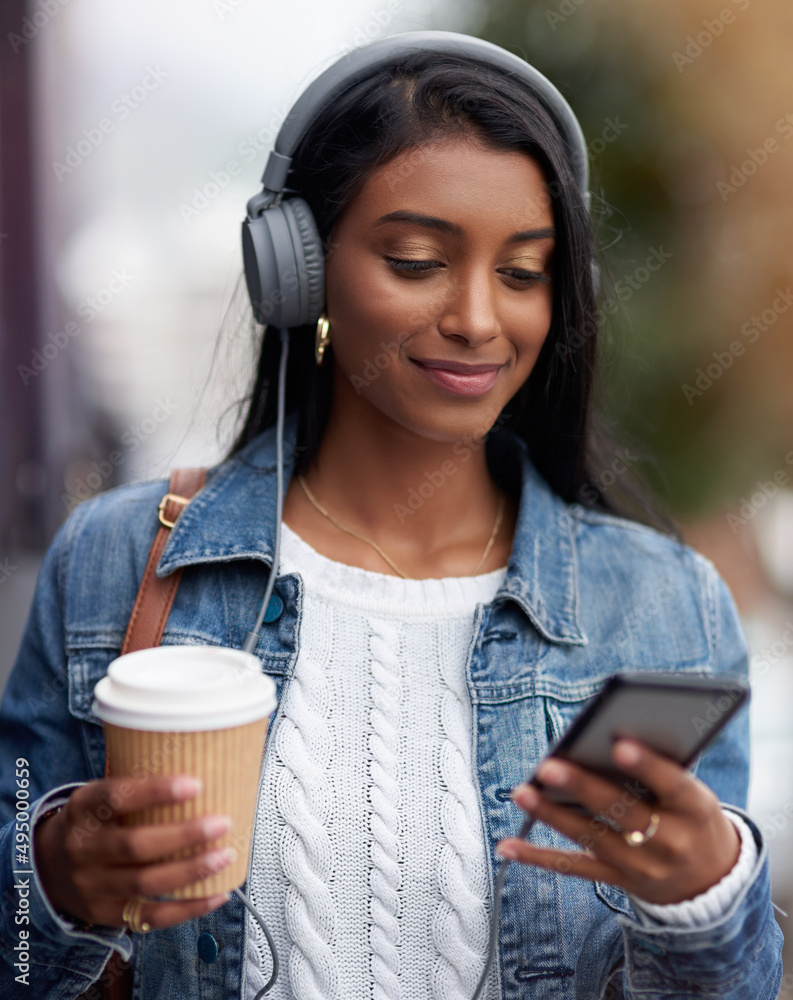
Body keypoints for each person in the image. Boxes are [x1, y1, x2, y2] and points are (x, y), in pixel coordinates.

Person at [0, 30, 783, 1000]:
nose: (477, 318)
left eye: (523, 272)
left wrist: (704, 906)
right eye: (416, 260)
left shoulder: (664, 606)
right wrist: (51, 883)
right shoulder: (118, 559)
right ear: (298, 267)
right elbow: (18, 962)